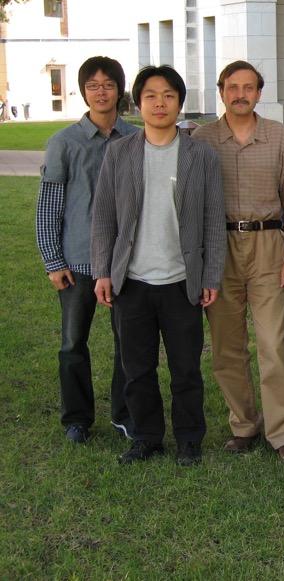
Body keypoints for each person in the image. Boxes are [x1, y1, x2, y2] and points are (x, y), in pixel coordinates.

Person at [92, 65, 225, 466]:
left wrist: (212, 275)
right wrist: (102, 270)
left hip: (182, 280)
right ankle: (146, 436)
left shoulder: (200, 155)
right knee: (137, 368)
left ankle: (189, 439)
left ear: (180, 102)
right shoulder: (120, 152)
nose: (159, 103)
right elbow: (103, 217)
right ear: (138, 102)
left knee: (186, 369)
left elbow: (213, 219)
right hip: (131, 280)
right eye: (150, 95)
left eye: (168, 95)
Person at [194, 61, 284, 462]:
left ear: (259, 93)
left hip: (268, 246)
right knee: (226, 344)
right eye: (232, 87)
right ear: (221, 91)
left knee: (273, 343)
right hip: (218, 248)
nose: (240, 94)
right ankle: (243, 424)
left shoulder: (277, 137)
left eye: (248, 87)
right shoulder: (203, 139)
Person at [36, 56, 139, 443]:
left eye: (108, 84)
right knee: (72, 343)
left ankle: (124, 414)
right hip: (76, 261)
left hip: (125, 260)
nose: (101, 91)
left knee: (127, 343)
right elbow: (48, 206)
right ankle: (76, 418)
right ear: (83, 91)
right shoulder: (64, 143)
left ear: (119, 90)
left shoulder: (135, 138)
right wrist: (53, 260)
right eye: (93, 85)